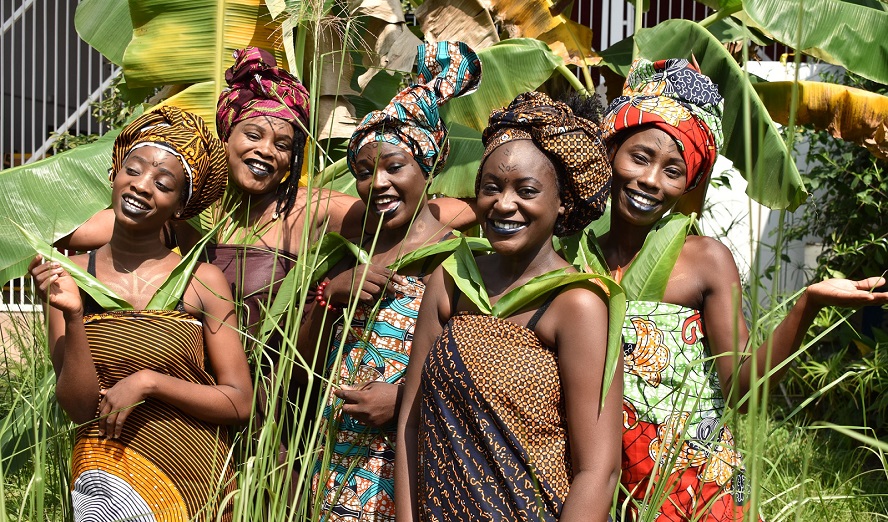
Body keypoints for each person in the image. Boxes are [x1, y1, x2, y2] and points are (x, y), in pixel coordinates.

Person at [595, 57, 888, 521]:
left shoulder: (704, 260)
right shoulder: (573, 253)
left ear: (689, 182)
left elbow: (742, 392)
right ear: (611, 150)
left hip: (694, 489)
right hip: (595, 487)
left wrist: (808, 303)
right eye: (640, 156)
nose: (651, 181)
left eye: (674, 170)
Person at [395, 91, 623, 522]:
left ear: (562, 202)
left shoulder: (577, 303)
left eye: (527, 190)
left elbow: (599, 470)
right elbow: (411, 420)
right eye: (491, 187)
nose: (503, 203)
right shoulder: (452, 280)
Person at [28, 106, 253, 522]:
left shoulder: (202, 280)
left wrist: (151, 383)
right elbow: (77, 408)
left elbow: (239, 403)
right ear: (115, 173)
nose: (142, 186)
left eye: (163, 184)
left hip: (195, 481)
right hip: (106, 485)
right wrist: (74, 315)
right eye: (134, 169)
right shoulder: (70, 277)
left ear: (181, 206)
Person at [309, 41, 482, 522]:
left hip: (411, 459)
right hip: (334, 461)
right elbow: (298, 360)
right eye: (364, 172)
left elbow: (479, 374)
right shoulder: (354, 249)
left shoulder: (457, 257)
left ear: (428, 166)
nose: (377, 182)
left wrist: (405, 396)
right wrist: (331, 293)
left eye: (394, 166)